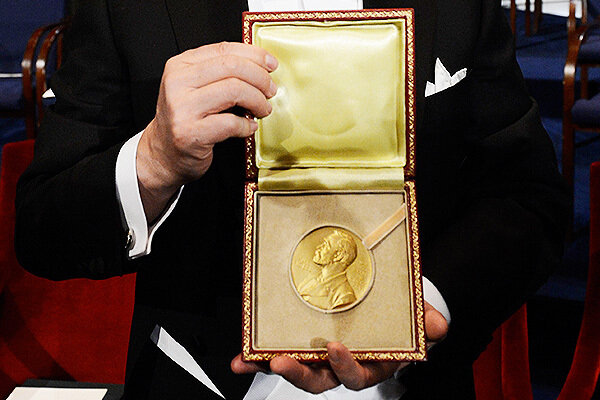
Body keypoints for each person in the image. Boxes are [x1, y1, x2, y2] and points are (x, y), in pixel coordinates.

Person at [14, 0, 569, 398]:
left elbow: (528, 196)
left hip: (414, 385)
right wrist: (154, 160)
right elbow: (42, 227)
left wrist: (416, 307)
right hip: (197, 376)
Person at [297, 229, 358, 310]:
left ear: (338, 255)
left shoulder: (344, 296)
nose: (318, 247)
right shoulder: (311, 279)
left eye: (326, 245)